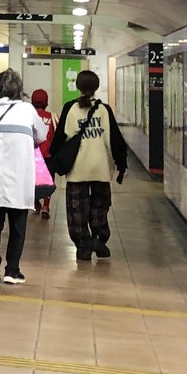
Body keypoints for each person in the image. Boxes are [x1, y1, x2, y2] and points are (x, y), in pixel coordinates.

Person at [0, 68, 48, 288]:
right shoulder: (27, 110)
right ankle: (12, 270)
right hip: (20, 176)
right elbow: (42, 136)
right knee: (18, 224)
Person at [55, 69, 129, 262]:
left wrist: (54, 160)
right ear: (96, 87)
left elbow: (60, 138)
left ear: (78, 86)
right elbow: (115, 140)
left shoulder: (70, 108)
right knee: (99, 206)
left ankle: (83, 246)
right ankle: (98, 238)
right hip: (101, 167)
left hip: (77, 167)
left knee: (76, 208)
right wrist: (121, 165)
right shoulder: (104, 110)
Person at [30, 87, 57, 219]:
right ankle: (46, 205)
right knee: (48, 181)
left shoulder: (28, 116)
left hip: (31, 155)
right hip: (48, 155)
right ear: (46, 102)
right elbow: (57, 135)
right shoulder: (52, 116)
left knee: (32, 180)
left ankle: (36, 203)